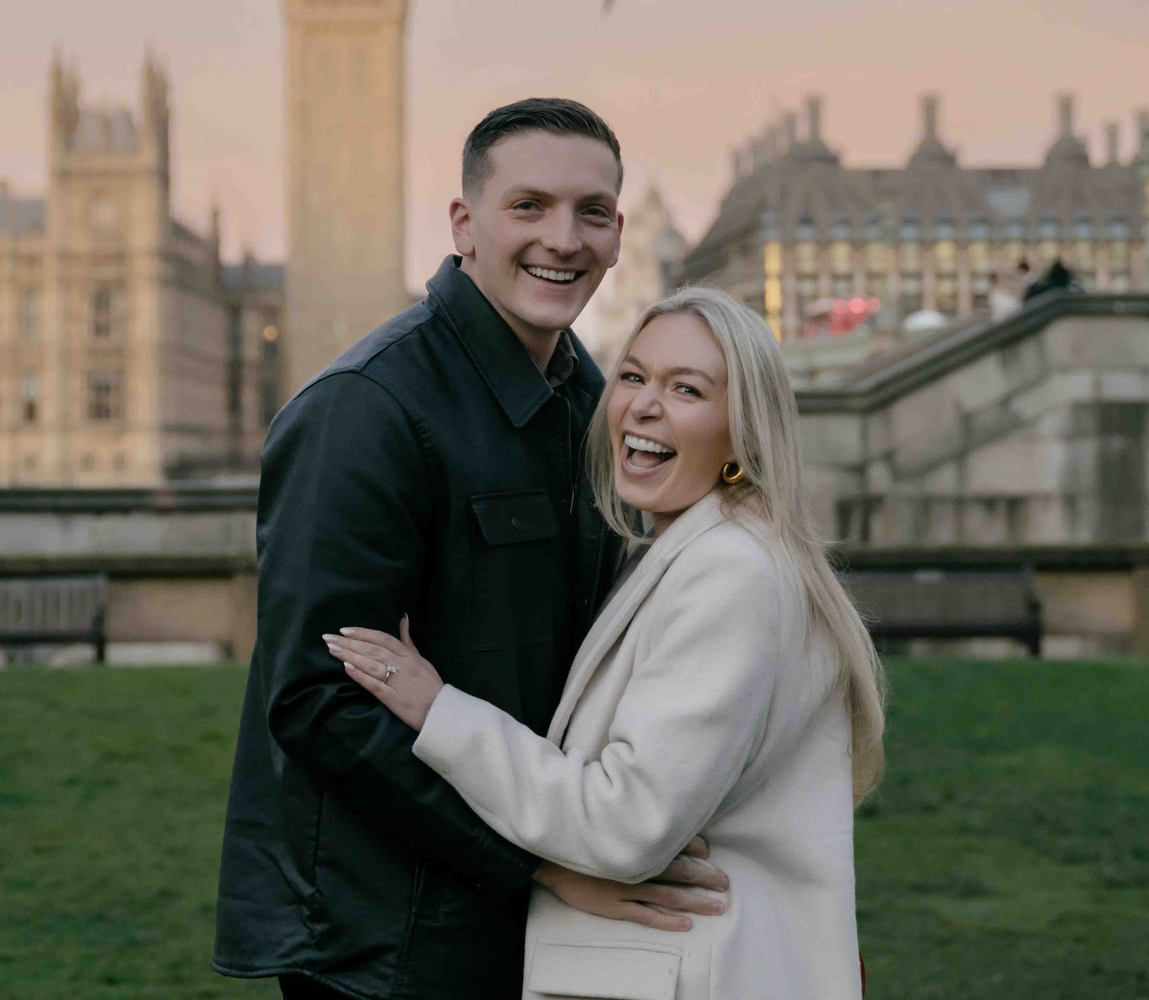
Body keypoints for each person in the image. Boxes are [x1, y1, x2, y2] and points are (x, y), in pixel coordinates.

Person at [213, 99, 728, 1000]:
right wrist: (537, 864)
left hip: (524, 916)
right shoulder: (363, 410)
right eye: (528, 206)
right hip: (386, 938)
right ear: (465, 223)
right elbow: (318, 702)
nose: (562, 239)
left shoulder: (591, 397)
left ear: (616, 237)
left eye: (592, 212)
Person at [326, 286, 885, 1000]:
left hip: (690, 971)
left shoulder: (730, 571)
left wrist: (439, 710)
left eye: (686, 388)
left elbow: (626, 824)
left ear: (743, 432)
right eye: (633, 375)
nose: (644, 405)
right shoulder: (702, 549)